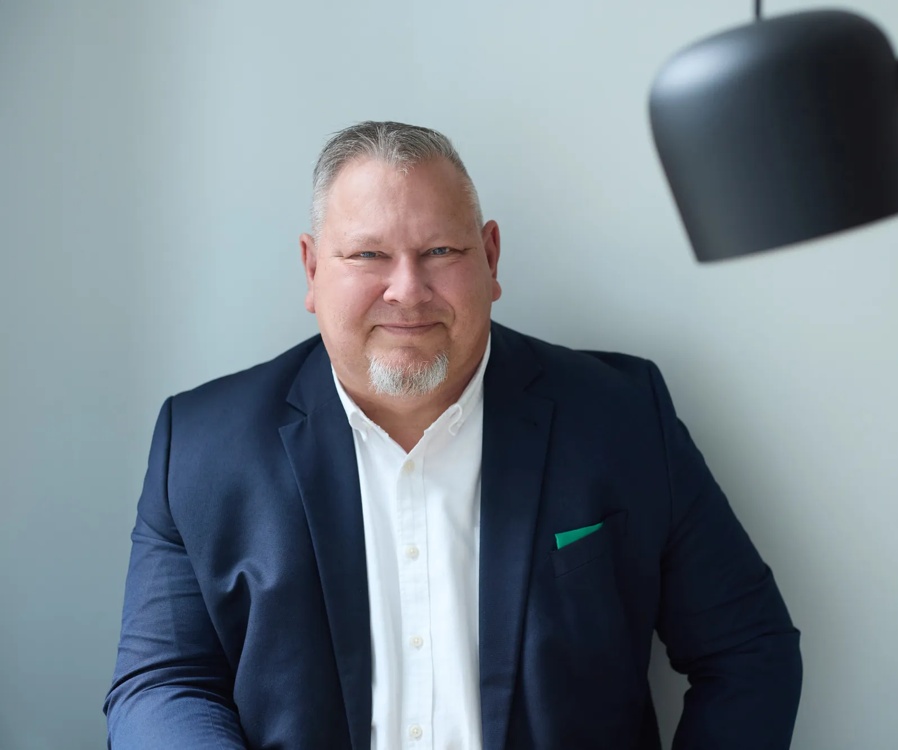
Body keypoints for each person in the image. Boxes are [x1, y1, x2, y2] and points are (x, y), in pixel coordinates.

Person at [105, 121, 802, 749]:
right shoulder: (200, 445)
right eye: (368, 256)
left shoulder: (621, 417)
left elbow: (747, 649)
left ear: (491, 257)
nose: (407, 290)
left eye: (439, 249)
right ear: (312, 269)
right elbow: (160, 685)